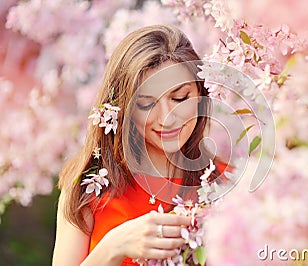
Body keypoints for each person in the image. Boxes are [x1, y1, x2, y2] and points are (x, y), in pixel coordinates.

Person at [52, 25, 226, 266]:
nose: (167, 117)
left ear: (200, 94)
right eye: (146, 104)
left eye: (180, 98)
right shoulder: (88, 191)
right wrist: (114, 246)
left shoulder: (226, 182)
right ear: (125, 109)